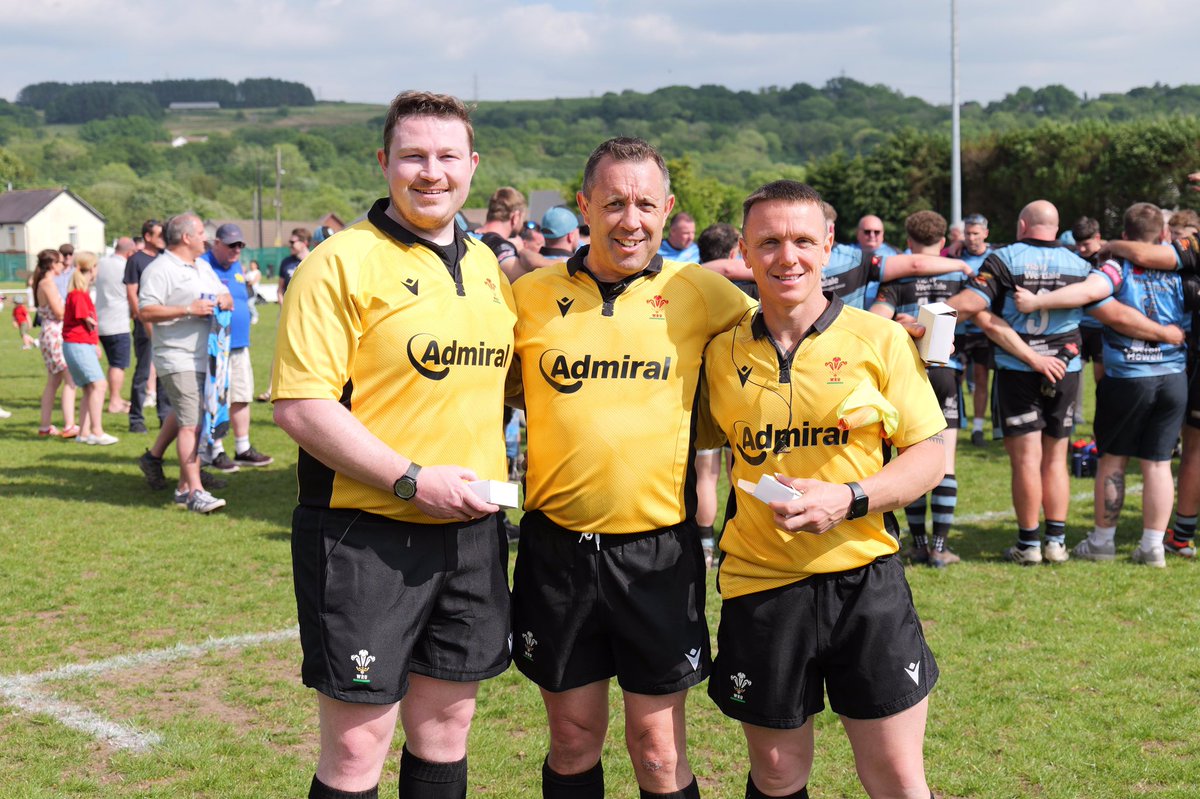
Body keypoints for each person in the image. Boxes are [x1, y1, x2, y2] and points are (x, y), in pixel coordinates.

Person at [272, 90, 516, 799]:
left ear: (472, 165)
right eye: (413, 156)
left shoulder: (487, 269)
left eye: (446, 156)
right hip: (365, 533)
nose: (430, 172)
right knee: (356, 748)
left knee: (446, 732)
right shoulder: (340, 262)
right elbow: (301, 405)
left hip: (470, 534)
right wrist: (411, 478)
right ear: (385, 162)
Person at [509, 137, 752, 799]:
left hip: (655, 554)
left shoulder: (704, 293)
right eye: (614, 202)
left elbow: (787, 353)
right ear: (583, 206)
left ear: (668, 207)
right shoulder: (529, 297)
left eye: (646, 203)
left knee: (656, 749)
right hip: (556, 551)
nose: (631, 218)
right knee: (573, 738)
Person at [702, 180, 945, 799]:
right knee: (778, 775)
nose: (788, 257)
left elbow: (929, 456)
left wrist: (850, 498)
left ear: (829, 244)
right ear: (746, 253)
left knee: (894, 775)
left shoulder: (879, 339)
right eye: (770, 242)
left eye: (804, 241)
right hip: (761, 584)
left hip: (864, 581)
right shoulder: (717, 353)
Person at [1013, 203, 1188, 568]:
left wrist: (1037, 301)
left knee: (1112, 460)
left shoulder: (1116, 266)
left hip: (1127, 378)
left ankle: (1103, 541)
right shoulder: (1183, 271)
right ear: (1163, 236)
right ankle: (1154, 546)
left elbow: (1085, 293)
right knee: (1157, 464)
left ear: (1124, 235)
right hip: (1173, 377)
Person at [947, 200, 1108, 564]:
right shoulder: (1081, 264)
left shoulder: (1005, 258)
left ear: (1022, 225)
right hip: (1065, 369)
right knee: (1056, 459)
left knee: (1025, 462)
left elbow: (972, 304)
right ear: (1056, 226)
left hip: (1017, 369)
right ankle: (1056, 542)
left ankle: (1029, 545)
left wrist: (930, 318)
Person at [871, 210, 969, 567]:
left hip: (909, 373)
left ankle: (918, 543)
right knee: (946, 460)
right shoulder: (957, 276)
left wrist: (904, 322)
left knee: (908, 457)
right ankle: (940, 548)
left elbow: (877, 318)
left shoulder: (898, 278)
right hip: (948, 370)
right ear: (943, 242)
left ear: (908, 242)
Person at [137, 212, 233, 514]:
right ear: (187, 237)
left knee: (187, 416)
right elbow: (146, 311)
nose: (206, 237)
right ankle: (195, 492)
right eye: (202, 232)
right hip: (177, 356)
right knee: (191, 424)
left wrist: (225, 300)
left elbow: (224, 292)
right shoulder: (160, 269)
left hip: (206, 356)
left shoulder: (202, 266)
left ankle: (180, 483)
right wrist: (187, 309)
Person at [200, 223, 274, 470]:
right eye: (231, 245)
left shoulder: (237, 267)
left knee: (241, 395)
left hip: (240, 344)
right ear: (216, 243)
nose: (237, 249)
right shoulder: (202, 265)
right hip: (215, 346)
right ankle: (215, 449)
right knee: (216, 398)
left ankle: (242, 447)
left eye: (240, 245)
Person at [61, 252, 118, 446]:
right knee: (99, 385)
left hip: (79, 344)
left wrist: (94, 344)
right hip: (77, 345)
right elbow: (88, 320)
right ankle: (96, 431)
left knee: (88, 388)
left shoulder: (80, 293)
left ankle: (84, 433)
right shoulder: (78, 295)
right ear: (92, 268)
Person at [953, 213, 994, 445]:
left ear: (985, 234)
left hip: (982, 330)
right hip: (957, 329)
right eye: (967, 233)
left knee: (980, 377)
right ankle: (954, 423)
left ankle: (978, 427)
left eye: (976, 233)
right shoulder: (955, 256)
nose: (971, 238)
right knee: (954, 377)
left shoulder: (994, 256)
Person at [125, 219, 169, 433]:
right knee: (143, 371)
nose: (163, 239)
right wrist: (142, 318)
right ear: (148, 237)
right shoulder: (136, 260)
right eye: (159, 235)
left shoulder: (164, 259)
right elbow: (132, 292)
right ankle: (136, 419)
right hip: (145, 322)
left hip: (164, 320)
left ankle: (165, 416)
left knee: (164, 369)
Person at [33, 248, 79, 438]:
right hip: (55, 333)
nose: (63, 265)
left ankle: (45, 426)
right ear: (52, 265)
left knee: (54, 380)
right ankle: (69, 425)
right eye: (60, 262)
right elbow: (59, 312)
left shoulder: (43, 282)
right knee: (70, 379)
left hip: (51, 333)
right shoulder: (48, 283)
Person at [95, 237, 135, 413]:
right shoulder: (126, 267)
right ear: (129, 253)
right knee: (118, 364)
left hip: (99, 319)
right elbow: (131, 294)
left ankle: (108, 398)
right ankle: (115, 401)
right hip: (118, 322)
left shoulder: (101, 263)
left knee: (109, 362)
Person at [475, 186, 527, 281]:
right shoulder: (502, 247)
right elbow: (524, 281)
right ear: (515, 217)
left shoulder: (464, 235)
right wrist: (521, 250)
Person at [277, 228, 310, 304]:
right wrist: (283, 306)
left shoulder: (314, 261)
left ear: (304, 243)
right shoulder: (286, 262)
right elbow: (280, 289)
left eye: (292, 242)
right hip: (289, 311)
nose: (290, 245)